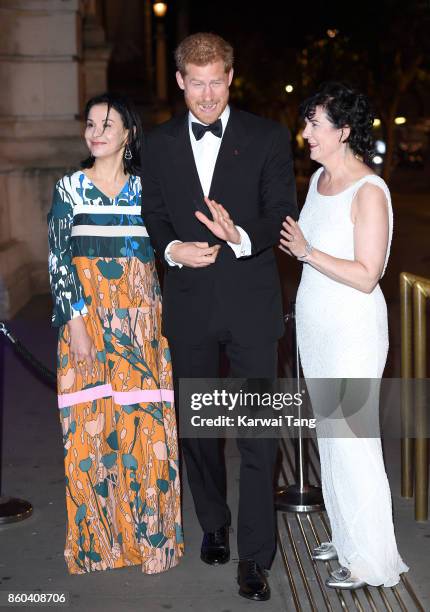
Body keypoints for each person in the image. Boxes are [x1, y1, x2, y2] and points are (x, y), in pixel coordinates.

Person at [142, 32, 297, 601]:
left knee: (258, 432)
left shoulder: (267, 136)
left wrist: (240, 235)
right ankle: (213, 522)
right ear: (181, 81)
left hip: (253, 303)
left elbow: (283, 210)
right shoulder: (156, 145)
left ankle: (255, 556)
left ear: (231, 77)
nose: (207, 95)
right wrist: (171, 250)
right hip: (190, 305)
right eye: (196, 83)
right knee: (199, 431)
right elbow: (153, 214)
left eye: (217, 82)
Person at [47, 93, 183, 575]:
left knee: (146, 434)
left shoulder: (149, 190)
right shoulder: (69, 189)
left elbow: (167, 248)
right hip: (86, 329)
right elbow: (59, 262)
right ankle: (99, 545)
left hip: (140, 330)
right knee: (91, 437)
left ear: (128, 135)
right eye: (91, 123)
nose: (97, 131)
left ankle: (154, 542)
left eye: (109, 124)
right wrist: (77, 325)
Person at [279, 82, 408, 589]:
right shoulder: (317, 181)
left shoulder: (369, 191)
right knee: (330, 437)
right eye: (307, 122)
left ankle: (371, 560)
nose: (306, 132)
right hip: (316, 325)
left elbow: (367, 273)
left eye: (315, 124)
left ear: (344, 131)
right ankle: (348, 532)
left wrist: (309, 252)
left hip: (352, 329)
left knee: (353, 440)